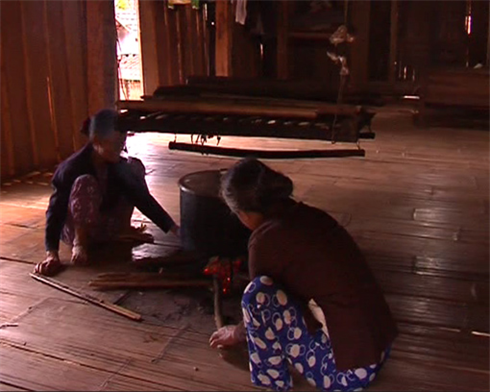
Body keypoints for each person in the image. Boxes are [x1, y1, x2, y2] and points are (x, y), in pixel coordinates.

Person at [209, 158, 397, 391]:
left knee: (256, 296)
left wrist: (236, 333)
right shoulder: (310, 215)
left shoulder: (264, 241)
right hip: (379, 348)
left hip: (347, 374)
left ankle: (273, 381)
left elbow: (261, 312)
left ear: (244, 214)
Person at [34, 109, 180, 276]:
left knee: (134, 167)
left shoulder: (116, 164)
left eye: (123, 143)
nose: (121, 148)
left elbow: (140, 196)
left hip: (105, 227)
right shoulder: (71, 168)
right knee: (85, 183)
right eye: (116, 144)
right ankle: (81, 243)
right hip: (75, 230)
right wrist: (51, 254)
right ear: (97, 141)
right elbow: (55, 210)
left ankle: (122, 230)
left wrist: (173, 229)